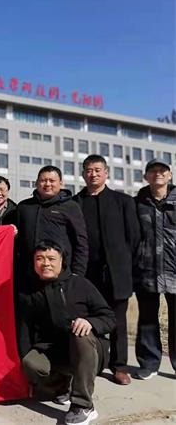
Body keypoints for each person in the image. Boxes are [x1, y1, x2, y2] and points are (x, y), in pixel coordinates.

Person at [19, 241, 115, 425]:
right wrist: (23, 366)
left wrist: (90, 322)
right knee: (30, 364)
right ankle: (62, 387)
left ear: (62, 261)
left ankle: (83, 405)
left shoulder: (80, 284)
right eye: (39, 259)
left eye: (51, 259)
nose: (45, 263)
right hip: (53, 349)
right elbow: (24, 328)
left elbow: (109, 317)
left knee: (80, 334)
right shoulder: (29, 292)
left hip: (88, 350)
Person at [73, 155, 140, 385]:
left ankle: (119, 366)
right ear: (83, 174)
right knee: (88, 320)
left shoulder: (123, 201)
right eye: (88, 170)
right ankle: (93, 362)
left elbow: (134, 238)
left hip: (117, 273)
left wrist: (125, 265)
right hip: (87, 274)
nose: (93, 174)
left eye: (97, 170)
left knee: (118, 321)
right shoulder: (75, 202)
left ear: (106, 173)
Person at [133, 158, 176, 380]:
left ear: (170, 175)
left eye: (162, 170)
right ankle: (149, 363)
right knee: (147, 319)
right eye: (153, 171)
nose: (158, 173)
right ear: (146, 177)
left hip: (174, 269)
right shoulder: (136, 203)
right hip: (146, 270)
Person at [16, 166, 88, 292]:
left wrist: (77, 274)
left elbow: (81, 243)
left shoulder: (71, 207)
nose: (47, 184)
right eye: (43, 180)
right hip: (30, 275)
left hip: (61, 275)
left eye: (52, 180)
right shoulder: (24, 207)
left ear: (61, 183)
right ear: (37, 183)